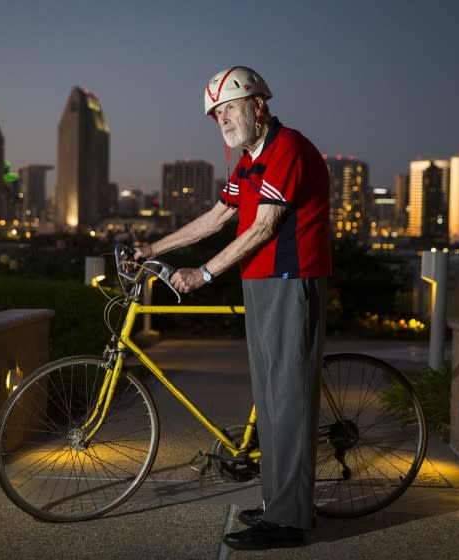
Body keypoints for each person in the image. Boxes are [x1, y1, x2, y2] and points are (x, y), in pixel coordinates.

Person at [134, 66, 331, 551]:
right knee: (269, 401)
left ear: (257, 106)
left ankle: (289, 522)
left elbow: (264, 228)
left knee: (288, 401)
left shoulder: (288, 149)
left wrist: (201, 274)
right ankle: (278, 503)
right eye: (216, 113)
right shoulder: (249, 160)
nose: (221, 119)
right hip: (260, 283)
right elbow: (219, 217)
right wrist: (153, 248)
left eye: (228, 108)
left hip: (292, 281)